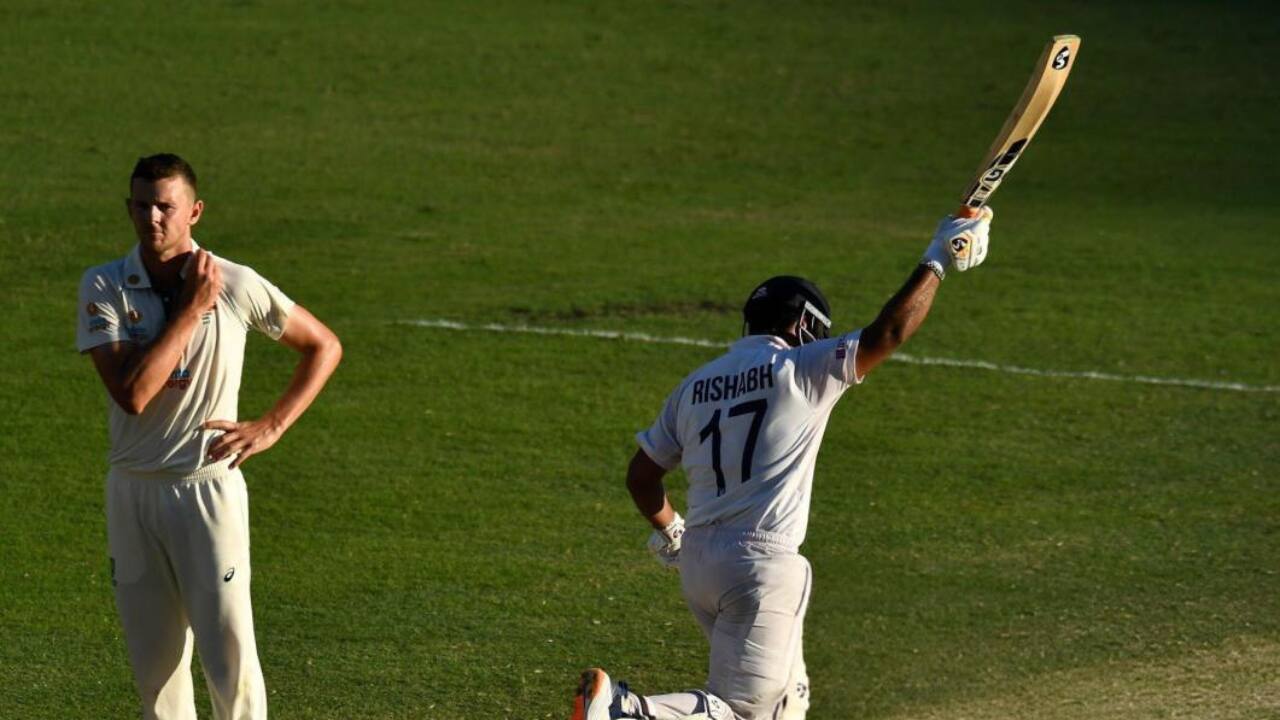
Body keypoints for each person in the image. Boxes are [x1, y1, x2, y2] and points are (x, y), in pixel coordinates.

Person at [572, 208, 995, 720]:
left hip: (699, 560)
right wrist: (939, 260)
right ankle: (623, 711)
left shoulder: (695, 386)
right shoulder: (801, 368)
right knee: (743, 708)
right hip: (759, 567)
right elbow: (888, 333)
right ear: (801, 325)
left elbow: (642, 476)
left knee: (786, 706)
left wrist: (673, 531)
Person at [76, 154, 343, 720]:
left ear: (194, 211)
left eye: (165, 206)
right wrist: (190, 310)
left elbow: (323, 345)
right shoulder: (104, 285)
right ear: (128, 208)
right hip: (132, 492)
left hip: (206, 491)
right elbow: (133, 393)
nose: (152, 217)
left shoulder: (236, 284)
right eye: (142, 205)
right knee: (155, 670)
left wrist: (271, 425)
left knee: (230, 664)